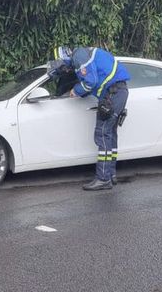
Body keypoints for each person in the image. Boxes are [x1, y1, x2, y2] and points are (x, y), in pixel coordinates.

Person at [52, 46, 130, 191]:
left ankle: (103, 178)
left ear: (64, 58)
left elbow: (90, 81)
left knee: (103, 134)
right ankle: (110, 175)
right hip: (118, 92)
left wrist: (76, 90)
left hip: (112, 94)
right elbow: (94, 80)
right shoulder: (85, 54)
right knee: (110, 135)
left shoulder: (79, 56)